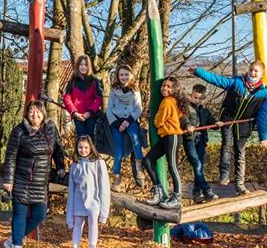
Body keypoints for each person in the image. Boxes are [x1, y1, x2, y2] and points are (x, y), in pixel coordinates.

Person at [191, 61, 267, 195]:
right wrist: (198, 71)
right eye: (251, 70)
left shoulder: (264, 94)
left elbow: (262, 117)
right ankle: (224, 174)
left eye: (256, 71)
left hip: (244, 125)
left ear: (261, 74)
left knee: (240, 152)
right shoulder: (237, 82)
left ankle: (240, 183)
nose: (253, 72)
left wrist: (264, 136)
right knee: (227, 145)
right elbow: (217, 80)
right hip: (228, 119)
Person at [1, 100, 65, 248]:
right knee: (19, 214)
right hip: (22, 179)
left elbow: (58, 149)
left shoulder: (50, 128)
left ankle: (13, 239)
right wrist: (8, 179)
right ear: (27, 114)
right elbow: (10, 156)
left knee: (39, 215)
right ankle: (16, 247)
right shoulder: (19, 131)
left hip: (41, 181)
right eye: (31, 112)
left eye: (37, 112)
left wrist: (61, 166)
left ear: (43, 113)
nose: (34, 115)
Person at [143, 77, 188, 209]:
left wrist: (152, 116)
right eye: (163, 86)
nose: (164, 89)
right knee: (148, 160)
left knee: (173, 166)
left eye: (168, 87)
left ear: (174, 89)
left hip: (172, 136)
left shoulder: (167, 102)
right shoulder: (171, 101)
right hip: (166, 137)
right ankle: (159, 191)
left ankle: (177, 196)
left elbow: (158, 121)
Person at [66, 135, 110, 248]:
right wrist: (70, 213)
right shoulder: (75, 164)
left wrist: (104, 211)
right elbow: (71, 188)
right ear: (76, 148)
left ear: (91, 147)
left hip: (94, 201)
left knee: (93, 225)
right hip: (79, 200)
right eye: (80, 147)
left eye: (86, 147)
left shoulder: (98, 163)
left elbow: (104, 186)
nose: (83, 150)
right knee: (77, 226)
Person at [106, 64, 144, 192]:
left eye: (126, 74)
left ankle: (139, 169)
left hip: (130, 119)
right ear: (118, 76)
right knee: (119, 151)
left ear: (131, 75)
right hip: (116, 121)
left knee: (135, 140)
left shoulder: (135, 90)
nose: (124, 77)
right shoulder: (114, 90)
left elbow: (138, 108)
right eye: (121, 74)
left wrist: (128, 122)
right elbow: (109, 109)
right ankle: (116, 179)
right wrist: (117, 123)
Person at [183, 85, 219, 203]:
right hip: (190, 140)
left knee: (199, 167)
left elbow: (211, 122)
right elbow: (183, 119)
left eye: (200, 98)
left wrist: (217, 123)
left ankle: (196, 192)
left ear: (203, 98)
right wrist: (188, 125)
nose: (197, 100)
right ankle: (207, 190)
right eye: (195, 97)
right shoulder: (186, 108)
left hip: (201, 140)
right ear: (191, 95)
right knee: (197, 164)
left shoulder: (205, 111)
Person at [63, 54, 103, 140]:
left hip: (91, 115)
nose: (83, 67)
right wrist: (74, 112)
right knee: (80, 138)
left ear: (89, 66)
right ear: (77, 66)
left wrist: (89, 112)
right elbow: (67, 98)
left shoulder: (94, 81)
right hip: (78, 115)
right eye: (81, 64)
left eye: (85, 65)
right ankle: (79, 153)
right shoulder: (72, 81)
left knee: (90, 138)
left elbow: (98, 98)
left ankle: (92, 153)